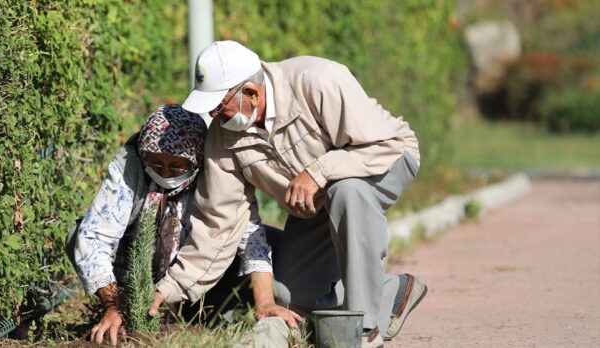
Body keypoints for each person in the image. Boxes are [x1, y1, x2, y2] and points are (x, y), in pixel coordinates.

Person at [149, 41, 427, 348]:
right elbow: (219, 224)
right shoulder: (223, 137)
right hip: (317, 204)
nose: (214, 113)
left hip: (384, 161)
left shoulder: (318, 80)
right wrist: (167, 289)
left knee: (347, 191)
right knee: (288, 295)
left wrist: (319, 172)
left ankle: (364, 331)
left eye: (219, 104)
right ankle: (393, 291)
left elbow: (383, 144)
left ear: (252, 93)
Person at [65, 104, 274, 345]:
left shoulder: (218, 173)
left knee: (272, 244)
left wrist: (265, 302)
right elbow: (95, 235)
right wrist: (116, 305)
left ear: (196, 159)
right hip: (130, 276)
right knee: (77, 235)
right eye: (156, 163)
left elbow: (249, 235)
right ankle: (135, 310)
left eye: (176, 166)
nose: (165, 173)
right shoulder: (131, 164)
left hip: (196, 279)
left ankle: (207, 314)